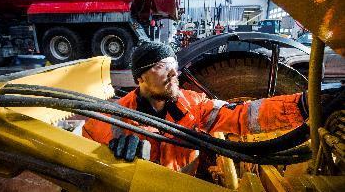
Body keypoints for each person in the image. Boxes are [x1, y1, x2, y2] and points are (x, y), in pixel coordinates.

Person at [82, 41, 340, 175]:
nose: (174, 72)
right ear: (140, 78)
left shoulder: (193, 105)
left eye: (174, 64)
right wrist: (106, 154)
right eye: (162, 66)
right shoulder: (112, 117)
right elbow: (85, 154)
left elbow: (242, 115)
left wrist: (304, 104)